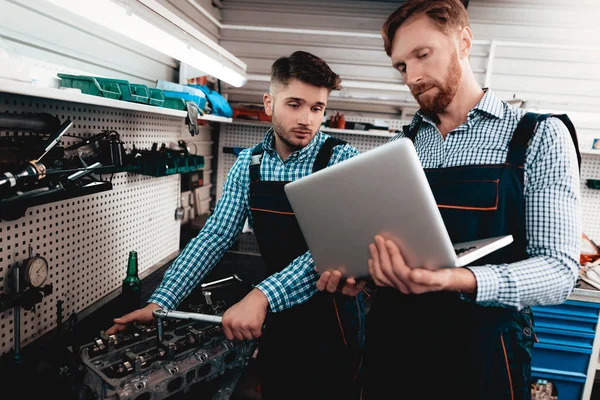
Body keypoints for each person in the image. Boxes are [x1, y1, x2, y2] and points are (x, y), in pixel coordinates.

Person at [316, 1, 581, 399]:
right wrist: (361, 275)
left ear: (464, 42)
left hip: (484, 357)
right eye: (402, 67)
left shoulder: (537, 138)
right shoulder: (399, 149)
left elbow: (559, 271)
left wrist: (455, 279)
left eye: (423, 55)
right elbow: (389, 250)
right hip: (394, 352)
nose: (414, 77)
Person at [105, 50, 364, 400]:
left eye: (317, 108)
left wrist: (261, 296)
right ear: (269, 104)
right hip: (276, 319)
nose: (307, 118)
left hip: (331, 319)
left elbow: (328, 248)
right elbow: (215, 236)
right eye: (295, 104)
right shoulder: (249, 164)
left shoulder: (340, 160)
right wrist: (161, 303)